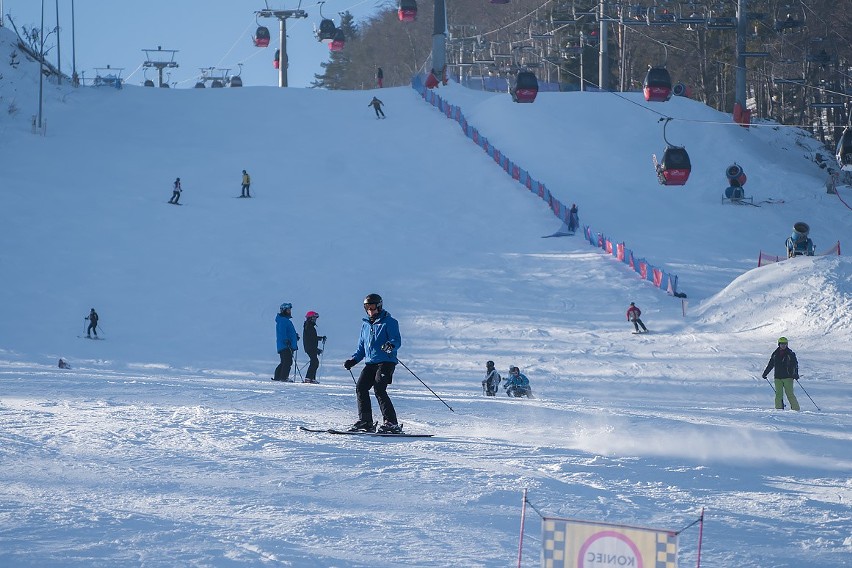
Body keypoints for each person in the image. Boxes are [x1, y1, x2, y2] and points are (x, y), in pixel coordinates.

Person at [343, 293, 402, 433]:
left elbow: (396, 340)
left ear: (379, 306)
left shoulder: (389, 322)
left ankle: (391, 423)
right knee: (361, 388)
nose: (370, 310)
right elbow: (362, 348)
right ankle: (366, 421)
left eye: (373, 307)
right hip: (370, 363)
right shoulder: (365, 325)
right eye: (367, 307)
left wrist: (390, 345)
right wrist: (353, 360)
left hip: (386, 362)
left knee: (379, 388)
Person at [762, 337, 800, 411]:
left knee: (789, 394)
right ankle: (779, 409)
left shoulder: (790, 354)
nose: (783, 345)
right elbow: (770, 364)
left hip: (788, 377)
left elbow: (795, 365)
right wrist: (765, 373)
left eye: (785, 344)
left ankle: (796, 409)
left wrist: (795, 374)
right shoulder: (775, 354)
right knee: (778, 394)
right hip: (777, 377)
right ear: (779, 344)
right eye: (782, 344)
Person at [273, 303, 299, 382]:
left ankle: (278, 377)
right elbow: (282, 332)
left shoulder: (285, 320)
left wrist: (295, 336)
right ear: (283, 310)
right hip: (285, 345)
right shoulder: (283, 320)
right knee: (287, 362)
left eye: (290, 310)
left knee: (284, 362)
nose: (289, 311)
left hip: (286, 345)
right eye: (288, 310)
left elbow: (288, 332)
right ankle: (283, 377)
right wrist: (286, 340)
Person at [302, 310, 326, 383]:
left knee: (315, 362)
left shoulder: (310, 326)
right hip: (310, 347)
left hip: (311, 347)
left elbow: (313, 337)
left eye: (315, 318)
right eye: (314, 318)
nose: (315, 320)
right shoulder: (308, 326)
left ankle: (311, 378)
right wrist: (319, 340)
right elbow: (312, 338)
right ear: (310, 318)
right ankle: (309, 378)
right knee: (314, 362)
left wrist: (321, 338)